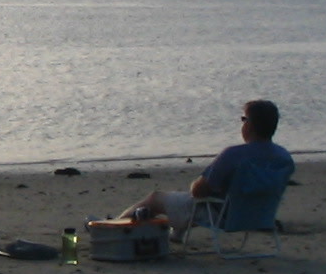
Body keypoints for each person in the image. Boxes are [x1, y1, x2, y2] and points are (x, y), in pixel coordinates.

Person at [118, 98, 292, 235]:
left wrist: (196, 185)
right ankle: (175, 234)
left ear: (250, 125)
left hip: (225, 216)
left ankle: (112, 227)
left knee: (156, 199)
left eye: (243, 119)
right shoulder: (284, 158)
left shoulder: (234, 155)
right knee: (199, 201)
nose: (242, 124)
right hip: (260, 216)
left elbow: (199, 191)